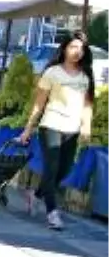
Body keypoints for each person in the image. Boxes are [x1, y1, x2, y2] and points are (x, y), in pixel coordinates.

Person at [17, 30, 96, 230]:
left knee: (63, 170)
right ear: (64, 49)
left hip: (73, 129)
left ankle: (35, 194)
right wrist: (28, 129)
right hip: (51, 124)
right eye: (72, 47)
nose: (77, 51)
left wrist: (86, 127)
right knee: (51, 168)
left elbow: (87, 105)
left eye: (80, 48)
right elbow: (38, 104)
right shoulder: (52, 73)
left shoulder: (86, 75)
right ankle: (52, 213)